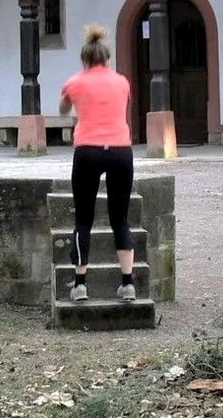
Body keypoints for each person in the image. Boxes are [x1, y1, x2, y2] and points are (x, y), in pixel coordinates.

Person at [58, 24, 136, 302]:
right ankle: (127, 283)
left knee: (84, 219)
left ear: (84, 60)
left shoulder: (75, 82)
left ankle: (80, 284)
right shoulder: (123, 81)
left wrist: (71, 99)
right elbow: (121, 103)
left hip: (88, 150)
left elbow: (64, 108)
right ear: (107, 59)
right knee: (120, 218)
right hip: (120, 150)